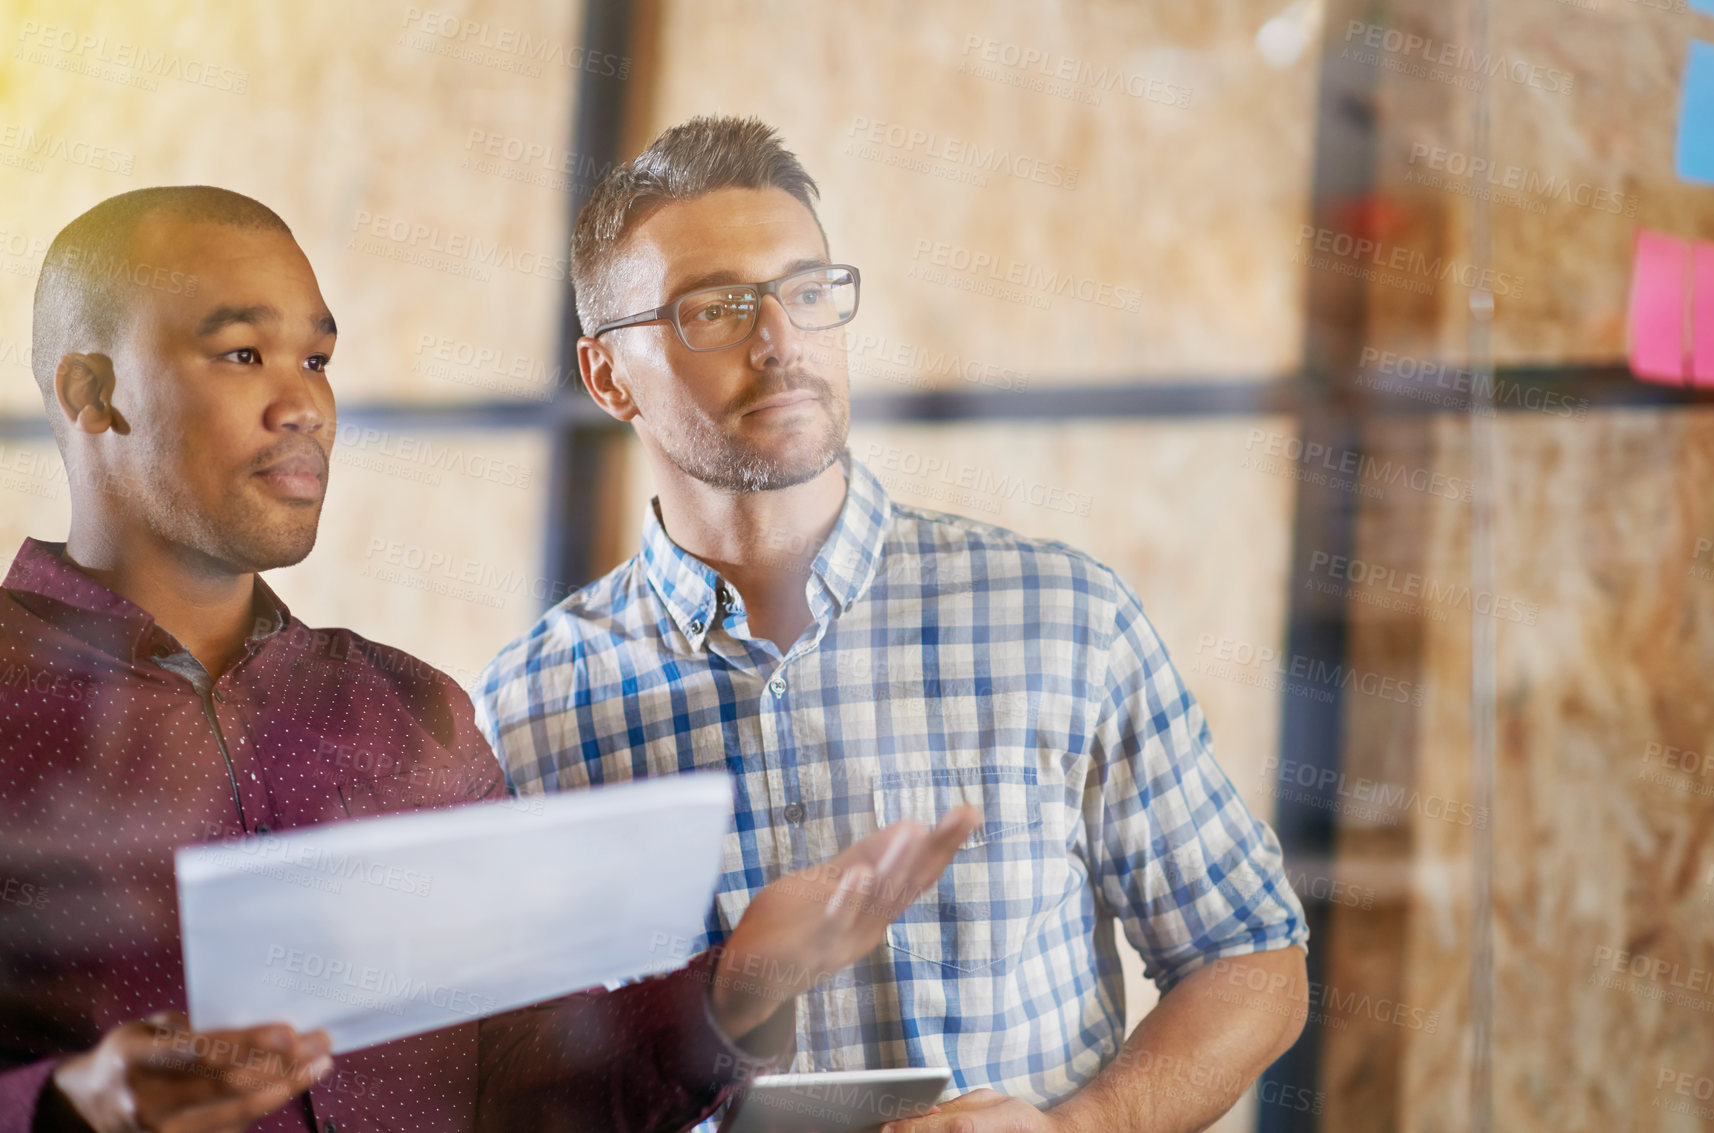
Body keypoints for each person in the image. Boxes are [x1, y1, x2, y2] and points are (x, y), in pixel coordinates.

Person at [0, 185, 980, 1133]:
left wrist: (743, 981)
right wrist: (70, 1104)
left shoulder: (409, 712)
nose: (303, 402)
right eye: (244, 352)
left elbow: (528, 1079)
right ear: (94, 391)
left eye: (319, 357)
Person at [474, 116, 1313, 1133]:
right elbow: (512, 1082)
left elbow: (1252, 956)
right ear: (607, 375)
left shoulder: (1060, 618)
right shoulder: (528, 709)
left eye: (808, 290)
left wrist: (1080, 1128)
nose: (779, 338)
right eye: (716, 308)